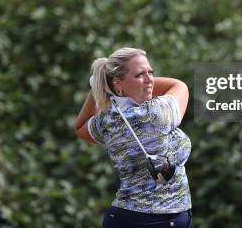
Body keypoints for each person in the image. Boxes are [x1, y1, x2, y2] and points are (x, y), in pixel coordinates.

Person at [75, 47, 193, 228]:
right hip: (152, 220)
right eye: (140, 75)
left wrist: (102, 87)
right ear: (118, 84)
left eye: (150, 72)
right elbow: (179, 86)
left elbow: (80, 127)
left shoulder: (108, 120)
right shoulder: (157, 112)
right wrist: (113, 86)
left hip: (127, 218)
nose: (149, 79)